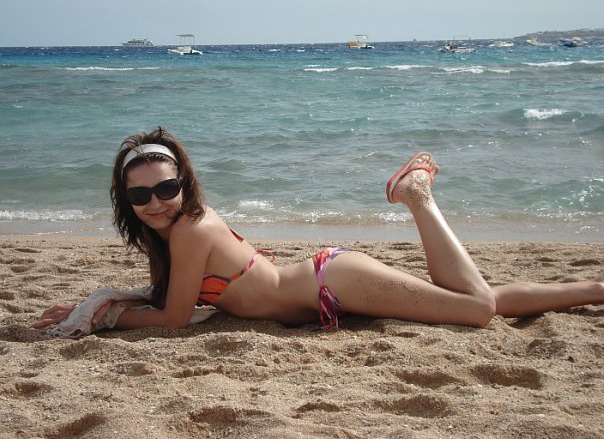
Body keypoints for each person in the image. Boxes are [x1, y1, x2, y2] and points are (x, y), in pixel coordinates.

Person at [33, 127, 604, 332]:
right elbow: (168, 299)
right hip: (327, 287)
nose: (155, 203)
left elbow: (173, 320)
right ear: (126, 199)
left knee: (476, 310)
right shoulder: (174, 234)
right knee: (481, 300)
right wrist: (105, 303)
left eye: (165, 188)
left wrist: (101, 317)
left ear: (183, 183)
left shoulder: (190, 229)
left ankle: (417, 197)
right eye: (140, 195)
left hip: (333, 282)